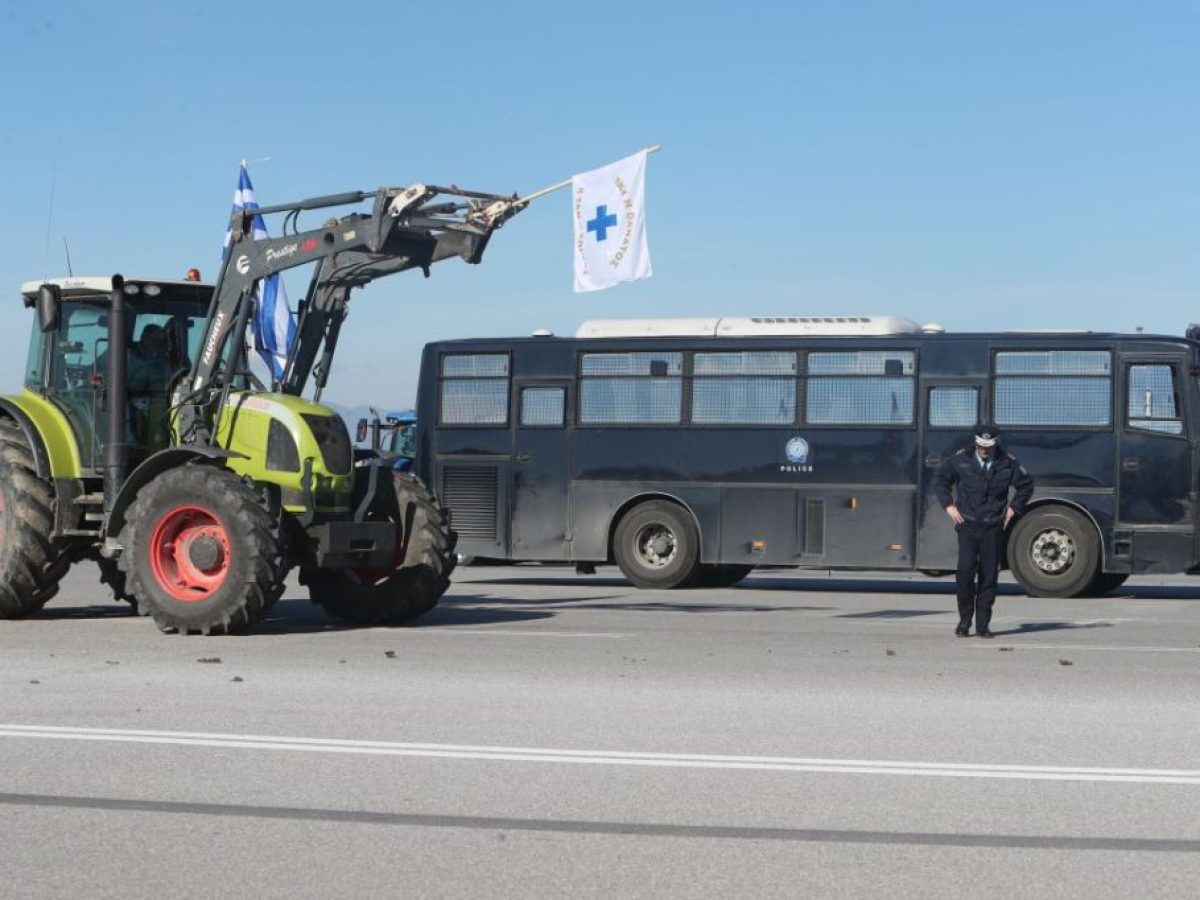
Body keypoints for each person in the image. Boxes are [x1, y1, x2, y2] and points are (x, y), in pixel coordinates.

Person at [934, 428, 1034, 638]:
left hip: (993, 527)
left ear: (995, 445)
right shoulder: (960, 460)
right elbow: (941, 482)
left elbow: (1026, 485)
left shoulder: (1007, 462)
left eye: (988, 447)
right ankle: (964, 621)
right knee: (965, 573)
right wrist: (948, 506)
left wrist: (1014, 508)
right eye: (981, 446)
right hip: (968, 525)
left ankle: (982, 625)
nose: (984, 451)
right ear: (975, 443)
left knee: (989, 577)